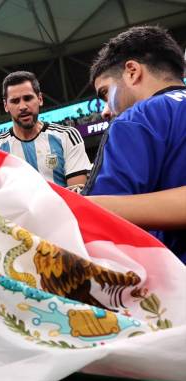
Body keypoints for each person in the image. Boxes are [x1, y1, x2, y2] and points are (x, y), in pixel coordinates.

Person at [83, 25, 186, 263]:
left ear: (132, 71)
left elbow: (94, 225)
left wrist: (76, 205)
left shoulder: (137, 118)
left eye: (105, 93)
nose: (106, 111)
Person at [0, 71, 91, 190]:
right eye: (15, 101)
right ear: (5, 106)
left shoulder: (67, 136)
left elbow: (77, 194)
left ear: (40, 99)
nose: (23, 107)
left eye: (28, 98)